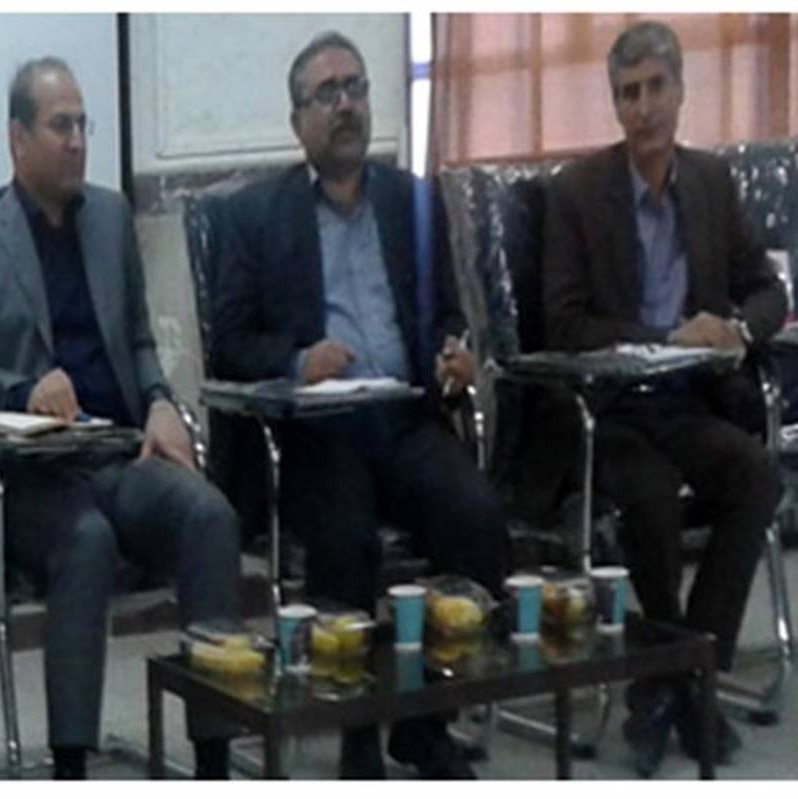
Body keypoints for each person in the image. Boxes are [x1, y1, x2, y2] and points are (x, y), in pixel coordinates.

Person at [0, 57, 242, 780]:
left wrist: (160, 400)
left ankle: (214, 756)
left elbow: (138, 339)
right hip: (22, 479)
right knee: (88, 541)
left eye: (82, 125)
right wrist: (22, 391)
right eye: (59, 126)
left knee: (210, 516)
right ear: (18, 139)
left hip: (116, 453)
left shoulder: (109, 217)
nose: (76, 141)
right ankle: (71, 766)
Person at [212, 31, 509, 779]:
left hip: (405, 418)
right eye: (327, 94)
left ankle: (423, 720)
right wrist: (296, 361)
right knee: (345, 539)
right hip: (319, 432)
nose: (346, 105)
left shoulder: (411, 202)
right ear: (298, 122)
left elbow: (444, 312)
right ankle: (354, 735)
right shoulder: (252, 216)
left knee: (478, 517)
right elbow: (230, 343)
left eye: (356, 87)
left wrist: (451, 350)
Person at [542, 20, 785, 778]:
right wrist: (663, 336)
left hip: (688, 402)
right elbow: (563, 323)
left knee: (756, 475)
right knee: (646, 497)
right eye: (627, 93)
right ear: (615, 104)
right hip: (608, 410)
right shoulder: (577, 193)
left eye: (654, 89)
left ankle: (674, 684)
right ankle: (686, 689)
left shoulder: (710, 183)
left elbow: (769, 289)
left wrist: (737, 330)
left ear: (681, 92)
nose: (642, 108)